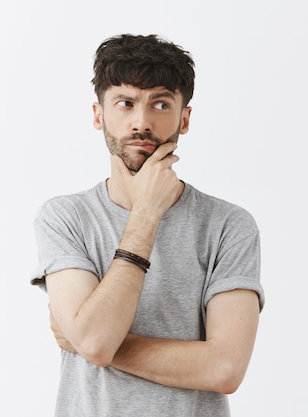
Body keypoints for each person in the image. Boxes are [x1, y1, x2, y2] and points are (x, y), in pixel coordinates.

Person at [29, 33, 265, 417]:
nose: (141, 122)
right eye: (125, 103)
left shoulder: (228, 226)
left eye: (160, 103)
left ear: (184, 118)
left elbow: (225, 369)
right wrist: (145, 214)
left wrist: (91, 343)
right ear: (98, 115)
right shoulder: (65, 217)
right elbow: (95, 340)